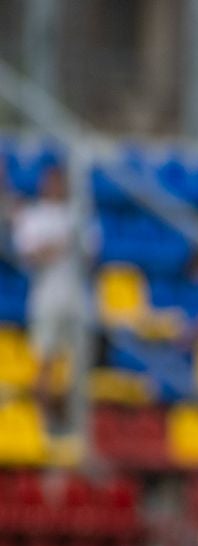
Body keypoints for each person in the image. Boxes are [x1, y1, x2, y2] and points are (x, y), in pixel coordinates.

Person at [13, 160, 89, 417]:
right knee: (44, 358)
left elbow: (90, 254)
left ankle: (71, 420)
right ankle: (40, 419)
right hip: (46, 297)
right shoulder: (34, 216)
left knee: (75, 362)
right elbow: (30, 255)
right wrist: (60, 246)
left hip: (76, 297)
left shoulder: (77, 216)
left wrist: (57, 247)